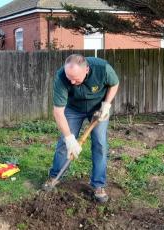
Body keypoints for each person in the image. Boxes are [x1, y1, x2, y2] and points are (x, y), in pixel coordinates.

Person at [43, 54, 119, 203]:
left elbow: (114, 83)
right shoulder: (61, 77)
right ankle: (55, 176)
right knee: (64, 144)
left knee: (100, 144)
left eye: (75, 78)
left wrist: (107, 105)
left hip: (98, 108)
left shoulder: (102, 68)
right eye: (69, 77)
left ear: (86, 70)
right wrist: (70, 139)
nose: (71, 81)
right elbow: (58, 112)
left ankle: (98, 185)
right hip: (73, 109)